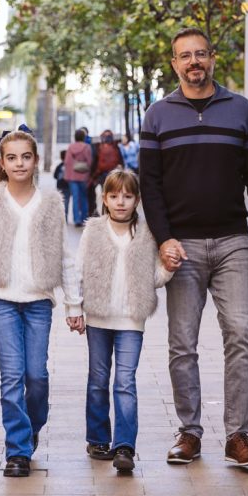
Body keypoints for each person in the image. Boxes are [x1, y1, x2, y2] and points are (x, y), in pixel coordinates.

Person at [139, 28, 248, 467]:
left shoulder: (239, 109)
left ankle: (238, 436)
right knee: (182, 343)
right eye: (185, 56)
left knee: (240, 333)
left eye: (200, 54)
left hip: (234, 241)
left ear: (212, 58)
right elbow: (150, 186)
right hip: (182, 247)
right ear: (174, 63)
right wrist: (164, 239)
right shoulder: (157, 115)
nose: (193, 62)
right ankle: (189, 433)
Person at [0, 129, 77, 478]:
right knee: (12, 376)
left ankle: (31, 428)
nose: (19, 163)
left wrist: (74, 305)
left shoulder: (51, 203)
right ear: (2, 162)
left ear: (36, 161)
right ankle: (17, 450)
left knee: (37, 376)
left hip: (38, 300)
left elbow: (64, 256)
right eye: (11, 157)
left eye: (25, 157)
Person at [65, 170, 175, 473]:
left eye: (127, 196)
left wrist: (168, 269)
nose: (121, 202)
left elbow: (153, 277)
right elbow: (79, 270)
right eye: (114, 196)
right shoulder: (94, 230)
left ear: (137, 200)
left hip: (131, 319)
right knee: (98, 380)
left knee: (125, 382)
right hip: (99, 317)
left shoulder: (147, 233)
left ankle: (124, 445)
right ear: (105, 199)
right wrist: (74, 306)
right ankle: (98, 438)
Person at [88, 129, 124, 216]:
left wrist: (92, 175)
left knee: (100, 193)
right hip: (113, 174)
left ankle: (99, 212)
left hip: (101, 174)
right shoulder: (116, 147)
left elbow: (95, 161)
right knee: (112, 194)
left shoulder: (98, 147)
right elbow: (121, 161)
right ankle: (112, 212)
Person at [63, 129, 93, 227]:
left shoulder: (71, 147)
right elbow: (89, 162)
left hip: (72, 177)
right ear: (84, 137)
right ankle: (84, 218)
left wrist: (67, 176)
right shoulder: (87, 147)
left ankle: (76, 219)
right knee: (84, 198)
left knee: (75, 198)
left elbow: (67, 162)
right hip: (84, 176)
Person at [53, 149, 71, 222]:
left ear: (61, 157)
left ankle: (60, 218)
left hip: (60, 186)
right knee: (66, 202)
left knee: (60, 202)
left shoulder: (59, 166)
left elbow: (55, 176)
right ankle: (65, 218)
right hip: (67, 186)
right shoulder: (70, 166)